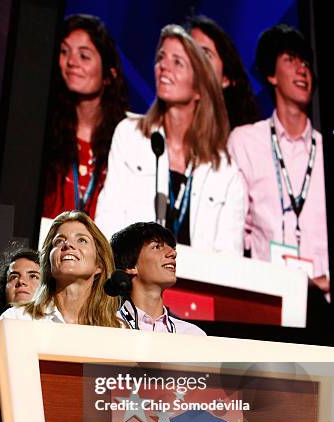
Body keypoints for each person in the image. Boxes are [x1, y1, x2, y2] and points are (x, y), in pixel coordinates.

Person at [95, 23, 245, 255]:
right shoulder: (130, 135)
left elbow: (228, 257)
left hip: (195, 287)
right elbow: (108, 219)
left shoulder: (225, 170)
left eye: (178, 62)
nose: (164, 67)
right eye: (161, 58)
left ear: (199, 88)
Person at [228, 24, 329, 293]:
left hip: (325, 300)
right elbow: (236, 230)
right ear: (271, 75)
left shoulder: (322, 148)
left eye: (306, 62)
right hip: (268, 299)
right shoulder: (246, 142)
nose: (302, 69)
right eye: (290, 60)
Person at [42, 14, 128, 220]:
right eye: (64, 52)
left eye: (84, 56)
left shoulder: (126, 137)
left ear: (109, 74)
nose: (71, 62)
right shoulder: (44, 127)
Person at [0, 211, 121, 327]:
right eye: (59, 241)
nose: (68, 245)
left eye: (82, 240)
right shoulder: (17, 319)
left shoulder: (118, 328)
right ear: (49, 263)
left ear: (99, 264)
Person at [110, 222, 205, 335]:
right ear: (131, 266)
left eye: (172, 247)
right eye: (157, 247)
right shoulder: (106, 327)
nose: (173, 253)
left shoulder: (193, 335)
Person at [185, 14, 261, 130]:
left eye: (205, 54)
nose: (195, 59)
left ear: (225, 79)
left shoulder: (244, 140)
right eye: (189, 51)